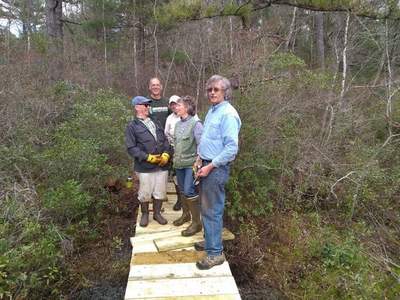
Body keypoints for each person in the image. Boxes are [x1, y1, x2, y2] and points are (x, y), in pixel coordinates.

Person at [194, 75, 241, 270]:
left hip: (216, 169)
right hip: (205, 164)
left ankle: (215, 254)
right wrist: (199, 158)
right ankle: (211, 241)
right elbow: (207, 138)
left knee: (212, 210)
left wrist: (210, 166)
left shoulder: (228, 114)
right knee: (207, 208)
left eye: (217, 89)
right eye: (210, 89)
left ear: (225, 92)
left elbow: (231, 149)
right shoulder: (213, 111)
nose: (212, 92)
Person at [125, 96, 171, 227]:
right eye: (145, 105)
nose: (148, 107)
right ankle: (145, 214)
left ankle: (157, 214)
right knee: (145, 192)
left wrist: (166, 154)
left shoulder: (155, 122)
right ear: (137, 107)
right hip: (144, 167)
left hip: (162, 166)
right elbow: (131, 148)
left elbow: (166, 140)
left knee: (160, 191)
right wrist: (147, 157)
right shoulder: (132, 126)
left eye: (148, 105)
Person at [172, 96, 203, 236]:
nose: (176, 108)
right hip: (178, 164)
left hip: (190, 165)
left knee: (190, 191)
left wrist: (198, 162)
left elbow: (201, 145)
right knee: (182, 190)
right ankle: (186, 215)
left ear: (187, 108)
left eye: (179, 105)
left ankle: (197, 223)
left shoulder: (196, 124)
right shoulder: (178, 124)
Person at [165, 95, 183, 211]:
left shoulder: (188, 116)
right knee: (176, 176)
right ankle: (179, 200)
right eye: (172, 104)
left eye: (176, 103)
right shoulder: (169, 118)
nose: (174, 106)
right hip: (174, 150)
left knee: (188, 176)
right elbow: (166, 133)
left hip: (188, 151)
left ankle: (190, 200)